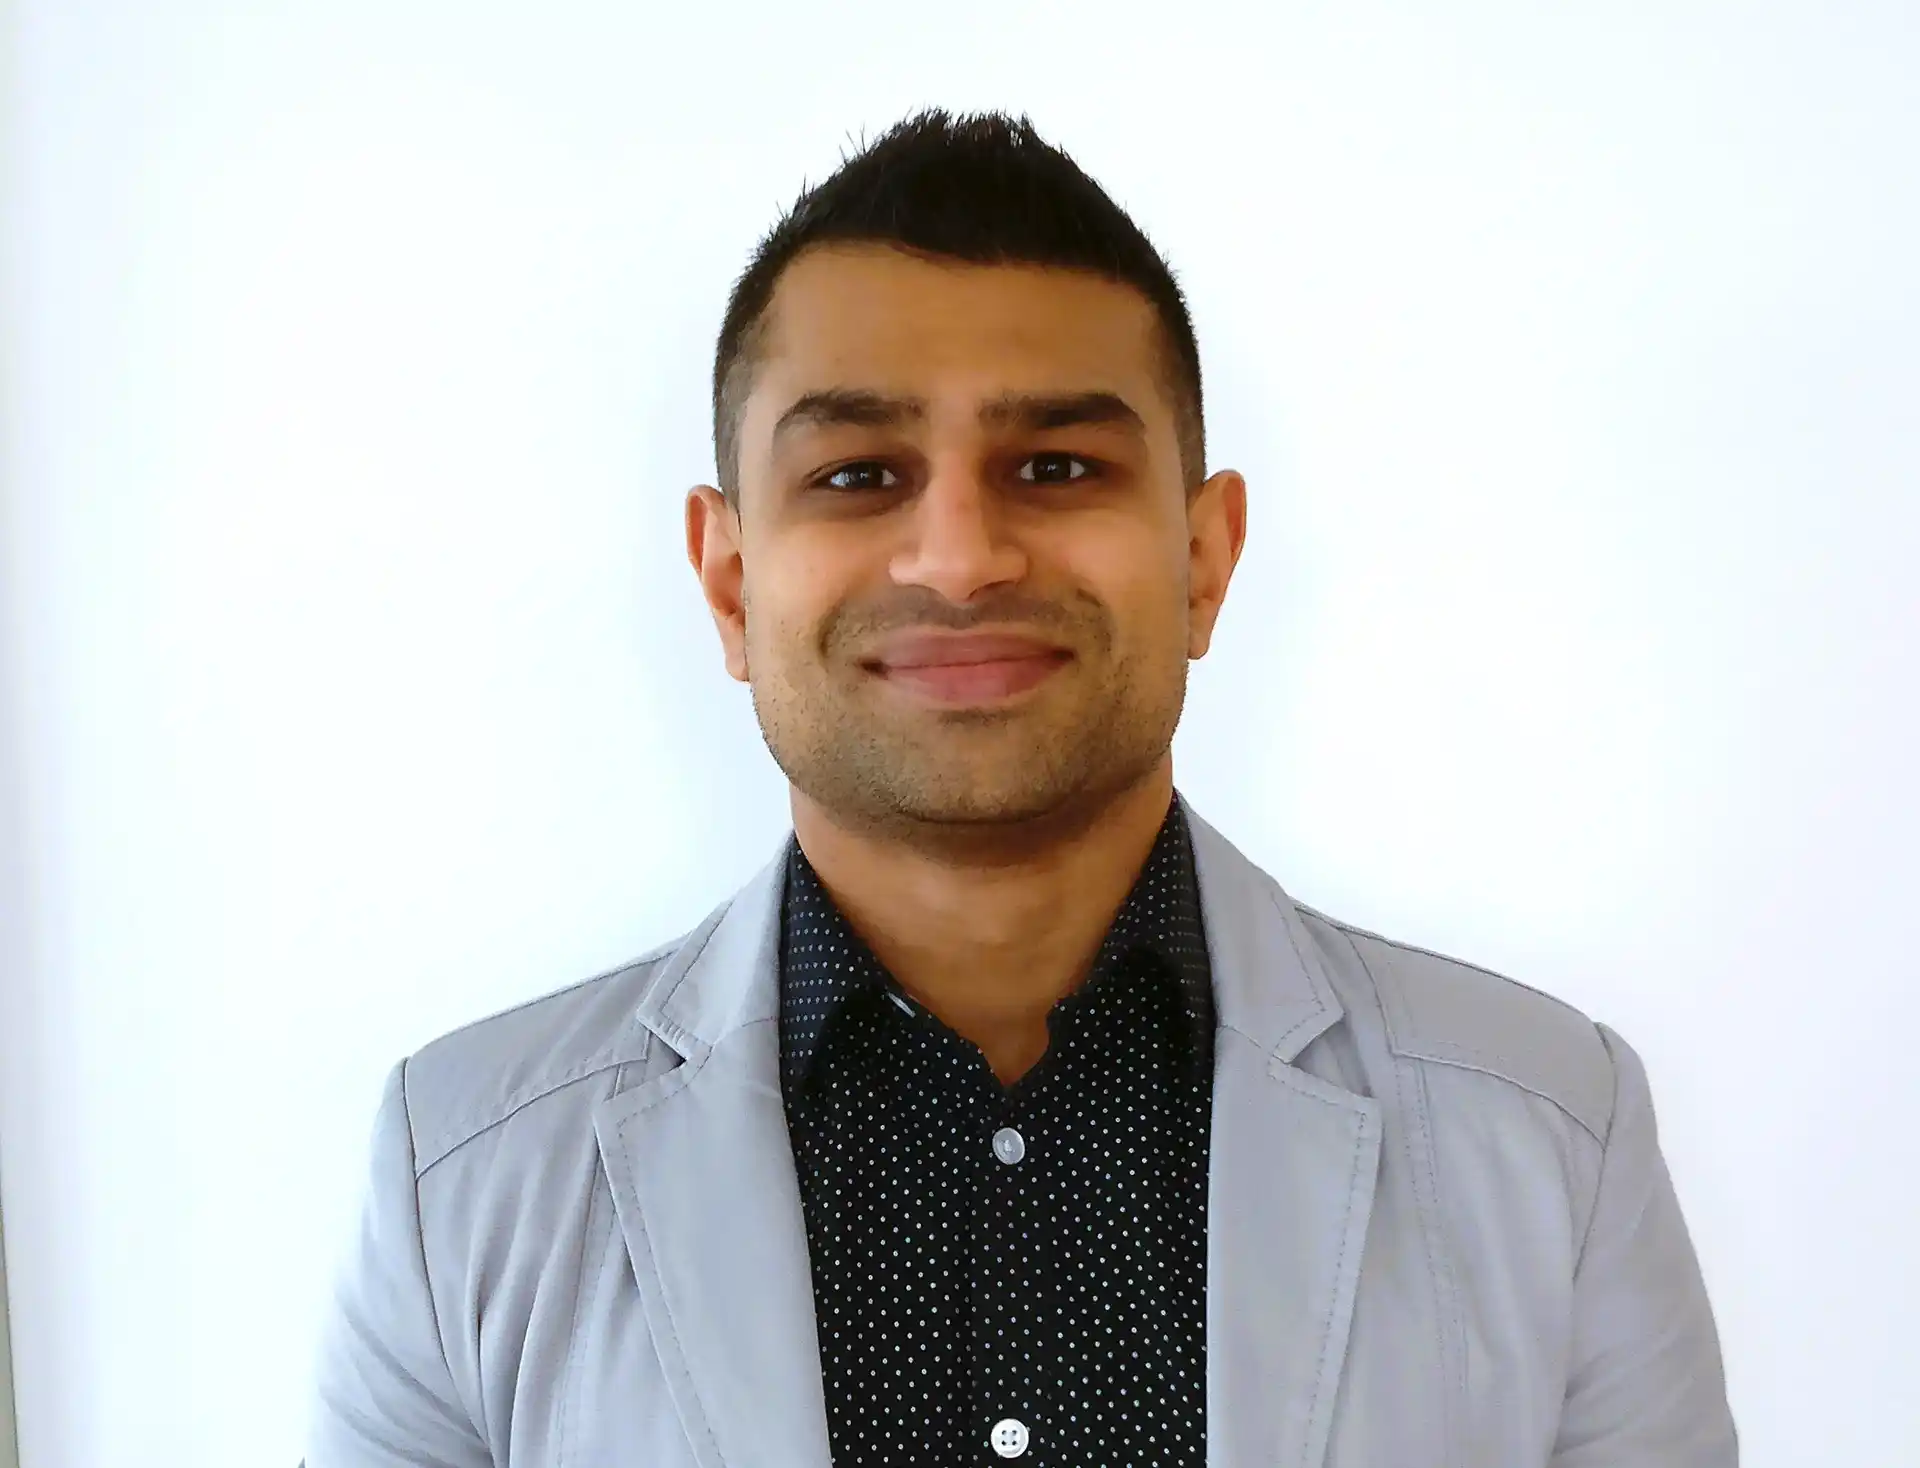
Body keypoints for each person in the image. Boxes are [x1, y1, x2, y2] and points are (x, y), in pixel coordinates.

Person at [303, 108, 1737, 1467]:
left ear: (1203, 558)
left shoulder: (1550, 1135)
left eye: (1055, 463)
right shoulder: (465, 1180)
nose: (960, 556)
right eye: (860, 475)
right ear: (731, 582)